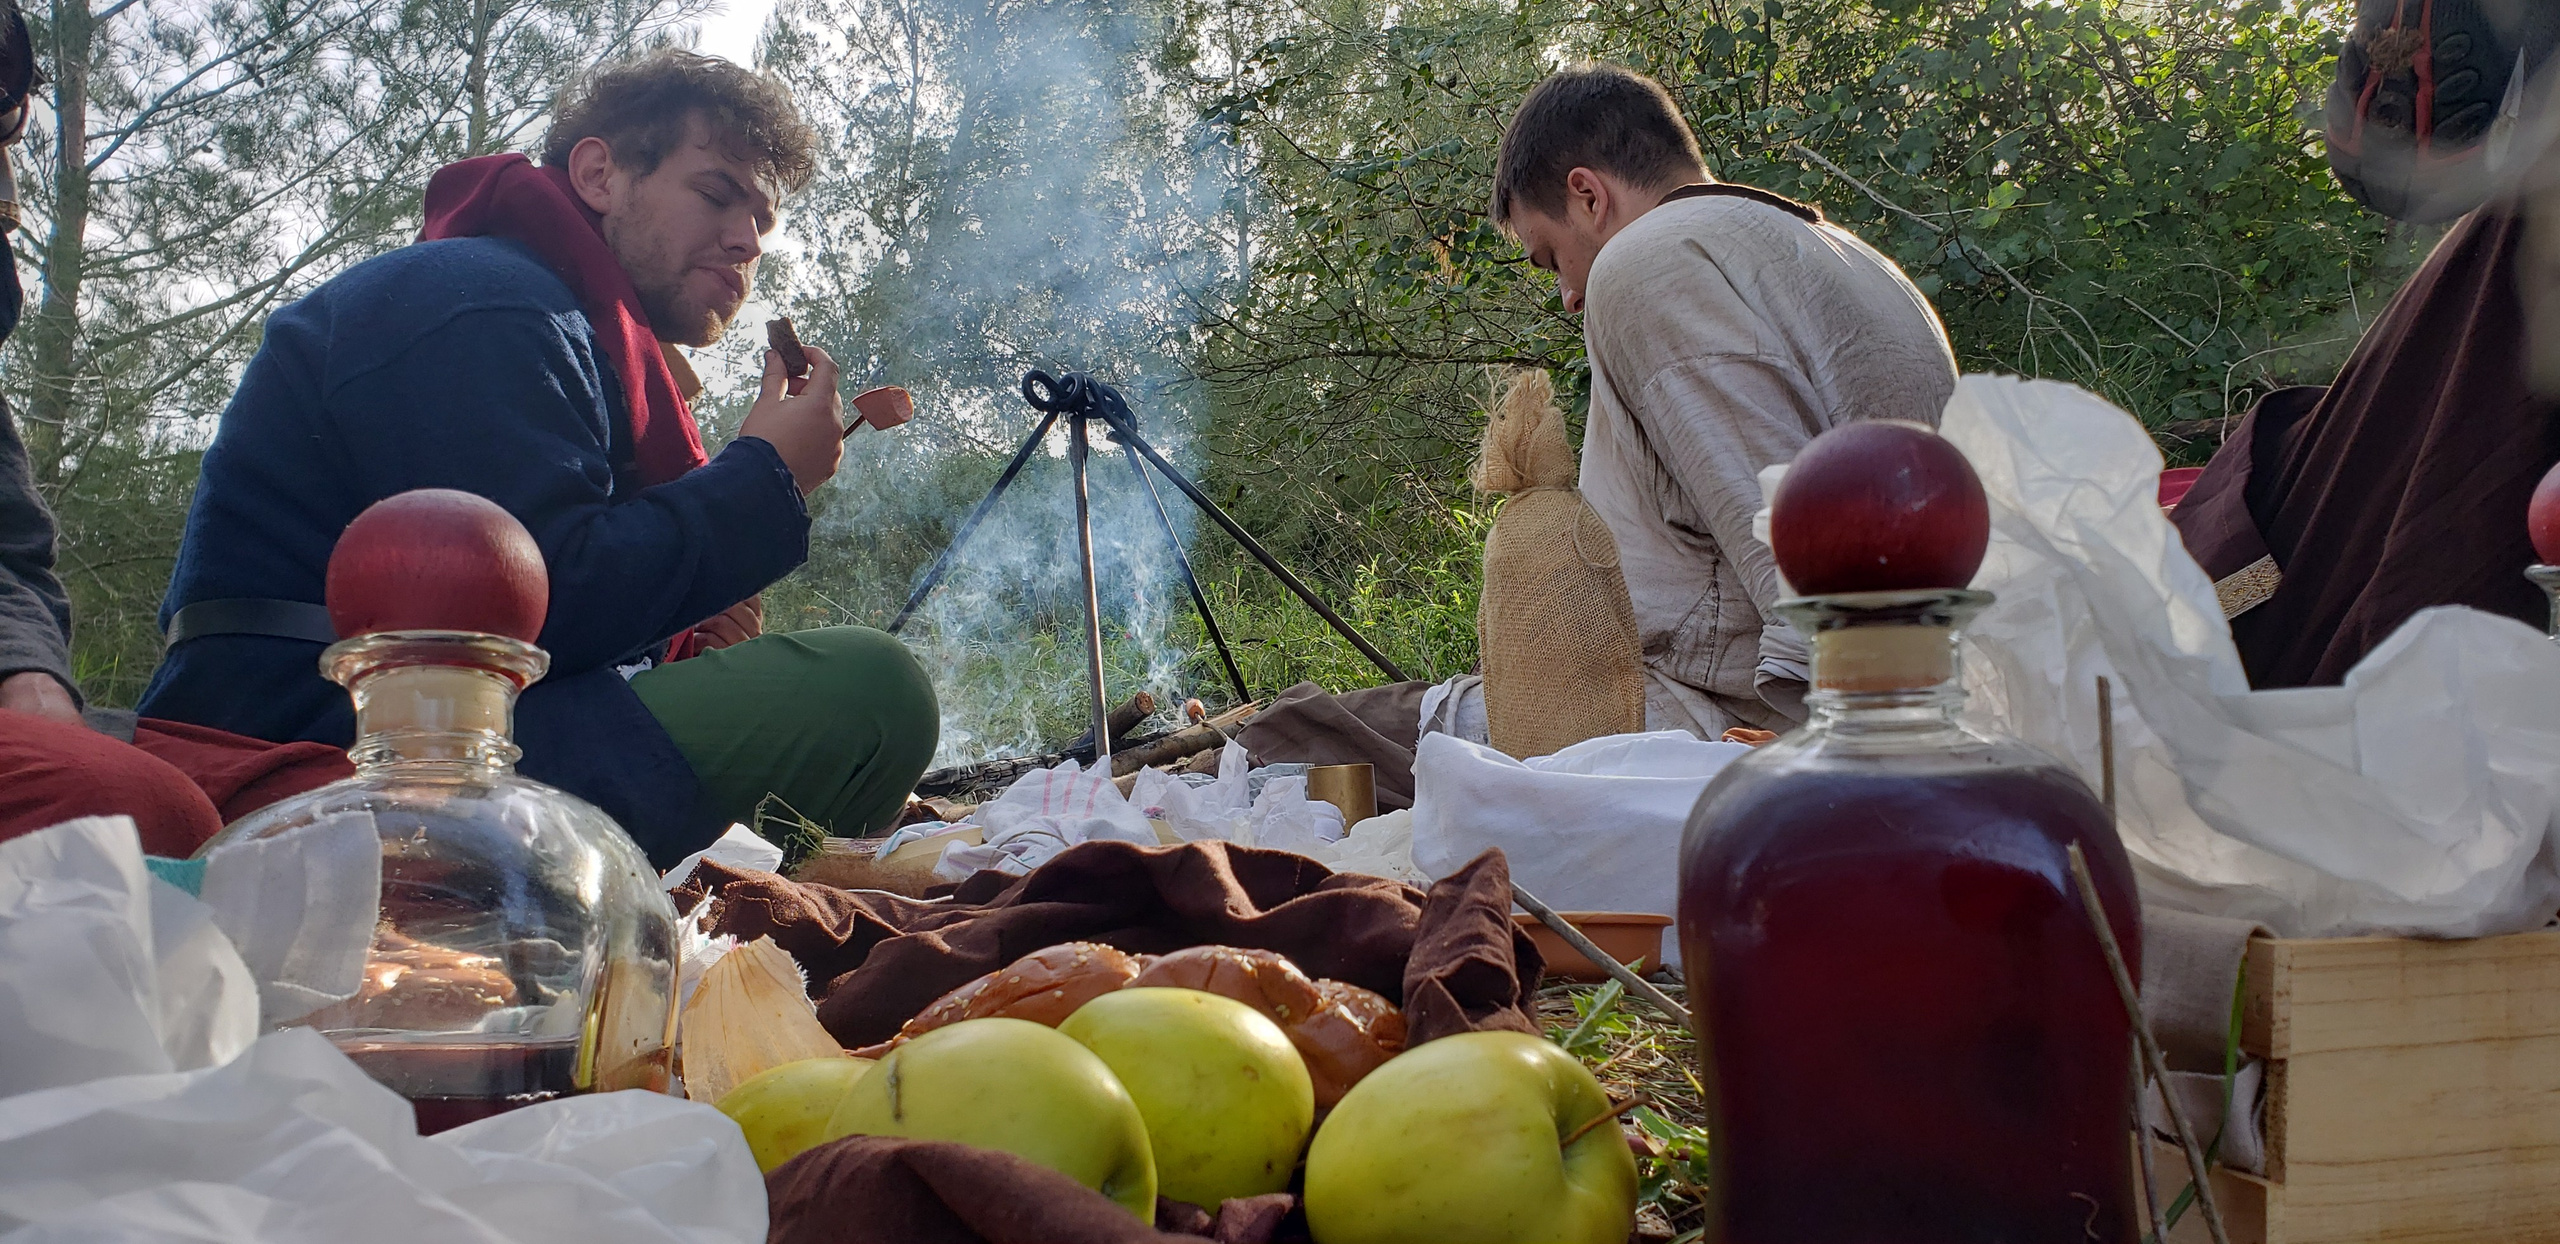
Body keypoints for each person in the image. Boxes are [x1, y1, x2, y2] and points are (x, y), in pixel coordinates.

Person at [136, 51, 938, 868]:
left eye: (762, 225)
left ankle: (771, 933)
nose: (745, 241)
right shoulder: (480, 300)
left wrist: (694, 619)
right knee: (873, 693)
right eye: (716, 195)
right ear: (598, 174)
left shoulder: (555, 324)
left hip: (440, 730)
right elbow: (536, 607)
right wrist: (764, 477)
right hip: (326, 755)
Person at [1488, 64, 1958, 734]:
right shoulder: (1849, 255)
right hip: (1886, 693)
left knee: (1313, 729)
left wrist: (1842, 759)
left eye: (1552, 257)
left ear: (1588, 196)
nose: (1567, 295)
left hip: (1710, 719)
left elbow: (1802, 564)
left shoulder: (1645, 262)